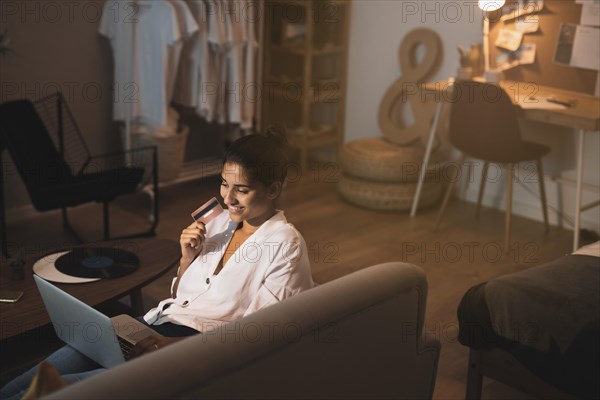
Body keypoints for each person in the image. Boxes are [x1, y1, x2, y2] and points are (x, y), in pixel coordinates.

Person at [1, 127, 314, 400]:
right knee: (32, 379)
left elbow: (260, 336)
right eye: (223, 183)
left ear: (273, 190)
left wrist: (173, 348)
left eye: (241, 190)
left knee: (60, 390)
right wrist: (187, 258)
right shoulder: (219, 223)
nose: (228, 197)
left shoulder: (285, 244)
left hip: (194, 350)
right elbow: (183, 296)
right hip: (153, 325)